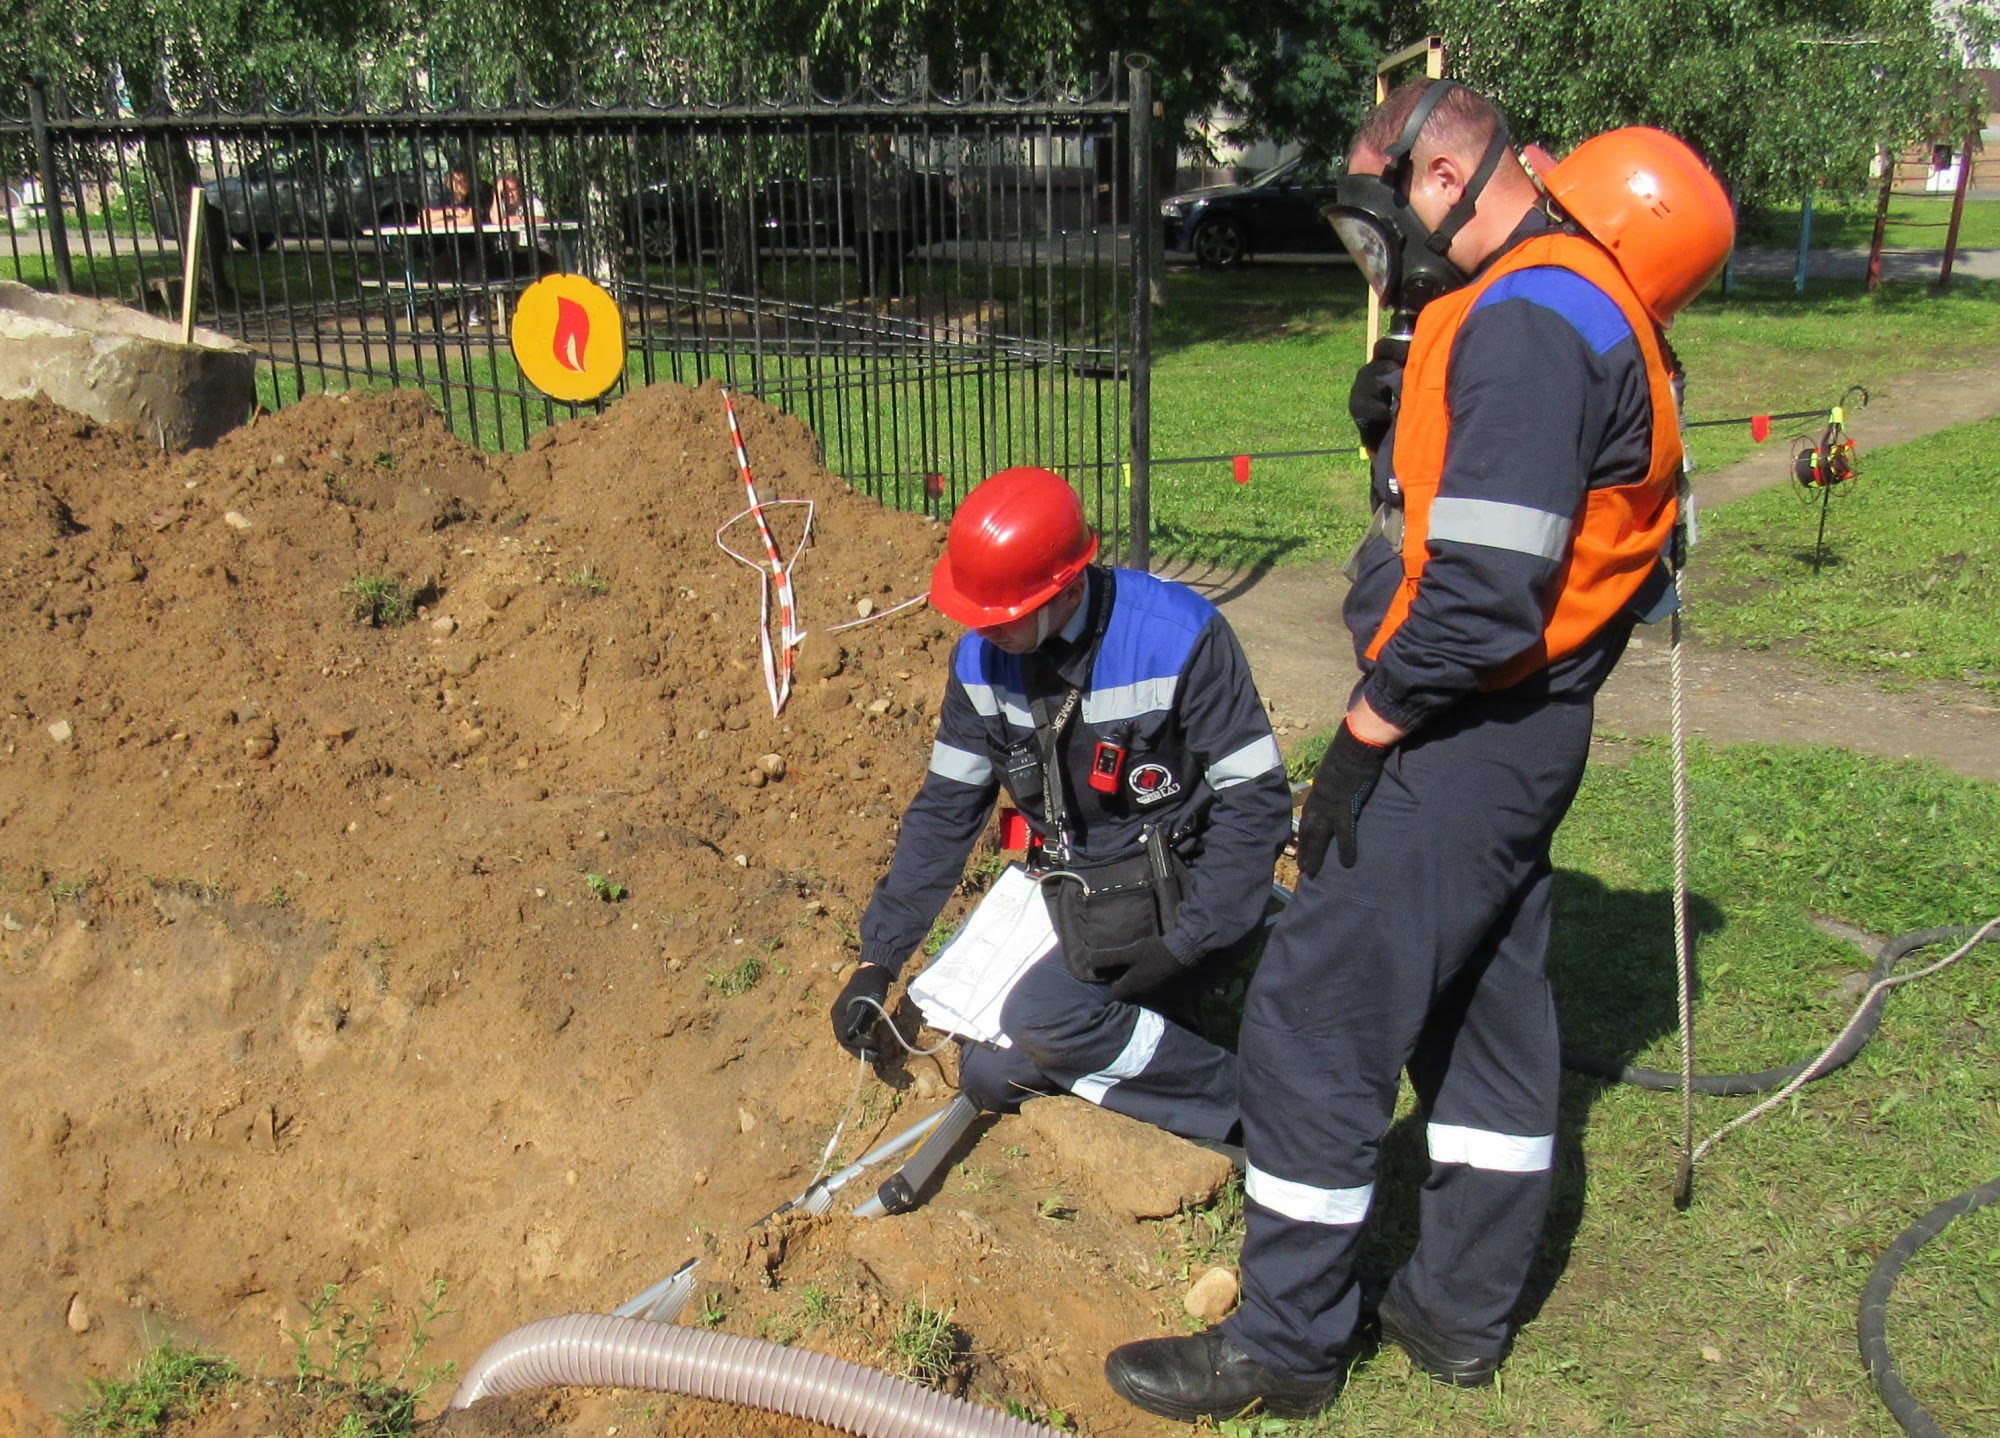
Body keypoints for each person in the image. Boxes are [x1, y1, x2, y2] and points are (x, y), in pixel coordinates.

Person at [1103, 81, 1734, 1421]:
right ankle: (1457, 1313)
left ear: (1441, 177)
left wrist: (1363, 736)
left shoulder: (1526, 328)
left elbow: (1482, 600)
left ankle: (1283, 1343)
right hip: (1529, 734)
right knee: (1488, 1018)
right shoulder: (1565, 297)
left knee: (1313, 1017)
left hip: (1459, 735)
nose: (1379, 243)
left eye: (1380, 206)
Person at [829, 466, 1293, 1147]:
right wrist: (879, 958)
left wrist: (1187, 943)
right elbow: (944, 814)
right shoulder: (981, 665)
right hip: (1084, 903)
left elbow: (1257, 806)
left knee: (1046, 1017)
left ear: (1066, 586)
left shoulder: (1177, 638)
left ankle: (1266, 1118)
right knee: (989, 1077)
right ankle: (1142, 1036)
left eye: (1005, 617)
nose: (989, 634)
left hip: (1183, 892)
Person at [852, 135, 910, 301]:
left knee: (895, 269)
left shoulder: (898, 163)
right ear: (869, 138)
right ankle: (867, 305)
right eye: (876, 135)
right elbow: (861, 189)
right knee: (867, 270)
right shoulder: (860, 163)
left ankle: (899, 303)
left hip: (893, 225)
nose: (881, 139)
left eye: (885, 135)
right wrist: (885, 190)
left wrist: (876, 191)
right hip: (868, 225)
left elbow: (900, 189)